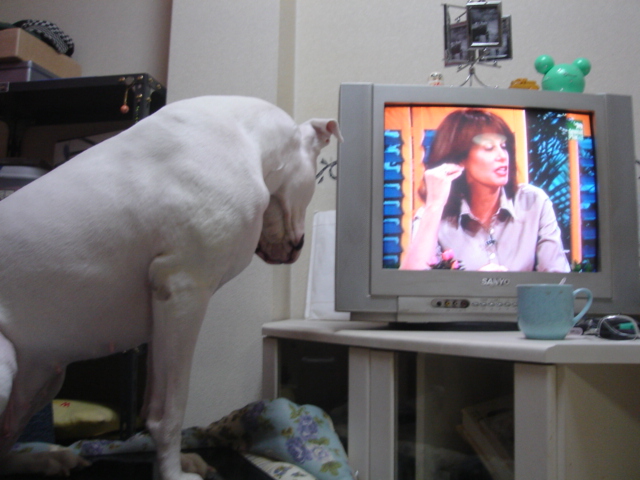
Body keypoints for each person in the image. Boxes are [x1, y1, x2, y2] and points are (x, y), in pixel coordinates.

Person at [400, 108, 570, 272]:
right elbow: (412, 284)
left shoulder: (534, 202)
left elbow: (558, 279)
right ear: (460, 159)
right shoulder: (432, 217)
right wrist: (434, 205)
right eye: (489, 148)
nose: (502, 156)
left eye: (504, 146)